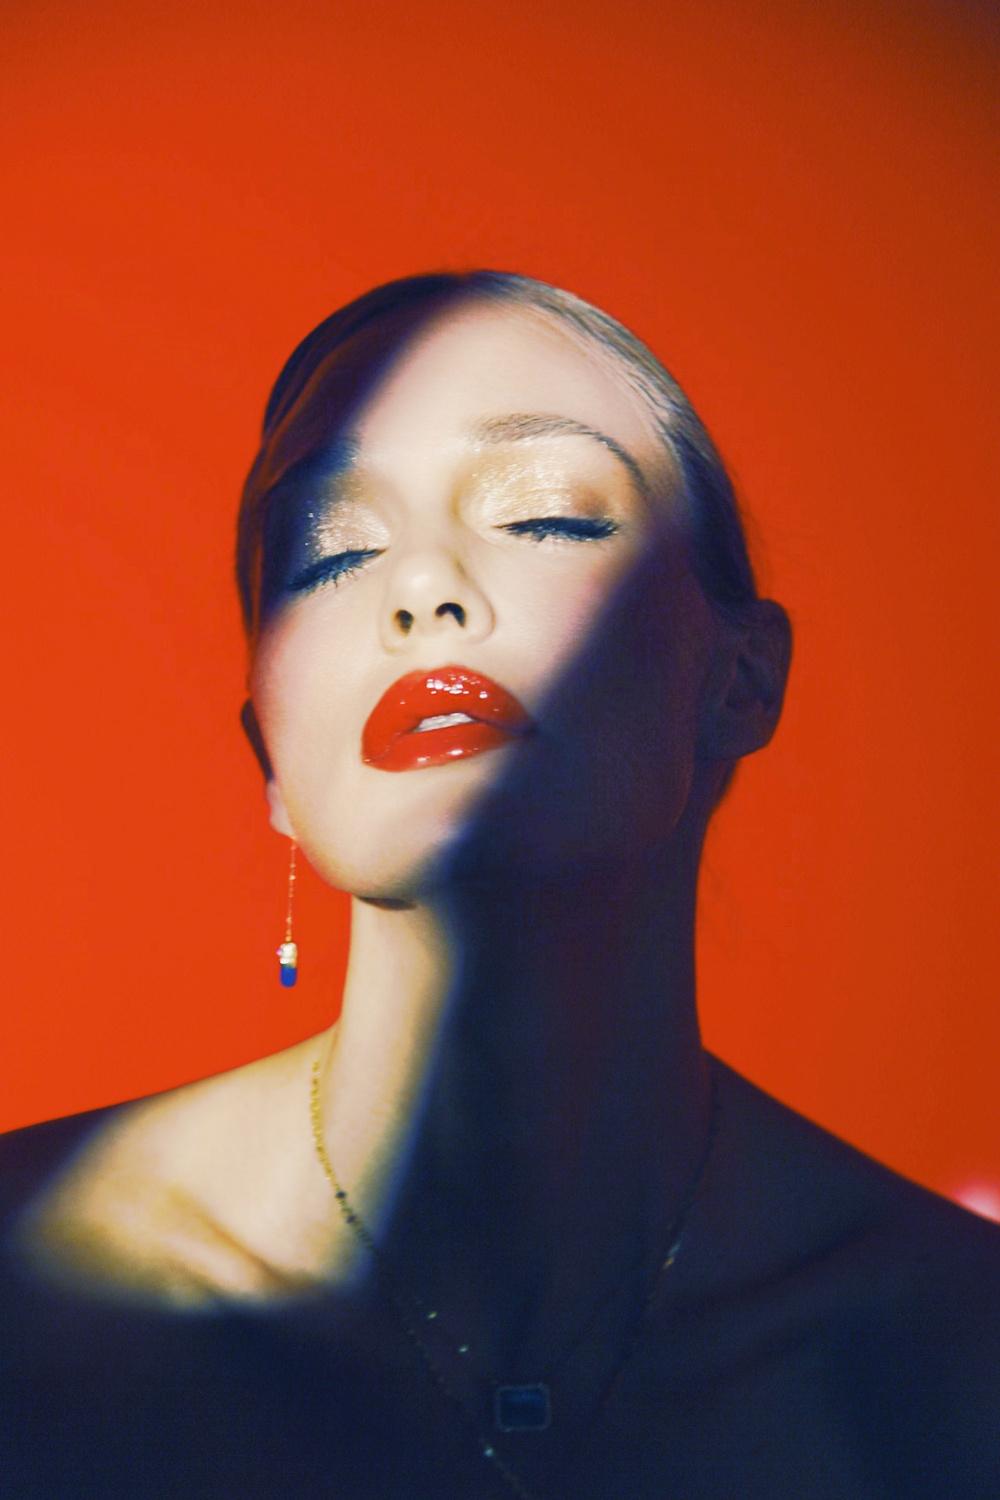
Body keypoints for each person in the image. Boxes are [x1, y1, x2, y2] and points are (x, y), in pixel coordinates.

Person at [1, 271, 997, 1499]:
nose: (420, 588)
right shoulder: (27, 1296)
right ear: (270, 758)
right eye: (330, 551)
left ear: (739, 680)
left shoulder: (957, 1363)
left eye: (546, 517)